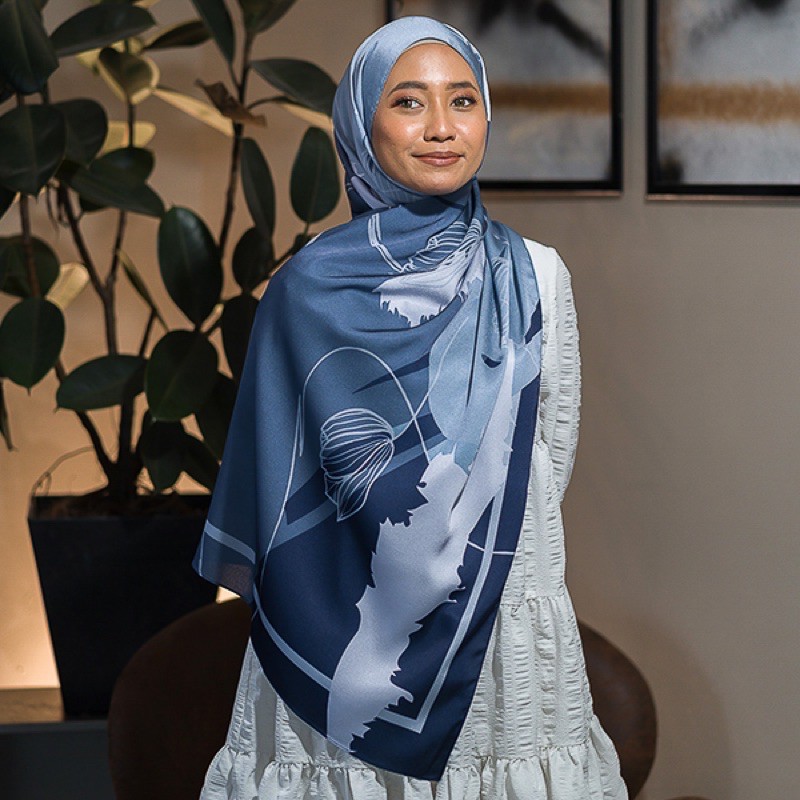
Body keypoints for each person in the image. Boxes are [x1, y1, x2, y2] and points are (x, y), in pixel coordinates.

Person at [193, 15, 628, 800]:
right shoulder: (303, 290)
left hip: (499, 626)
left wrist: (463, 542)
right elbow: (277, 483)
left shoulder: (537, 277)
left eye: (462, 100)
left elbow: (545, 461)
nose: (440, 128)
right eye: (407, 102)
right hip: (341, 633)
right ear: (362, 125)